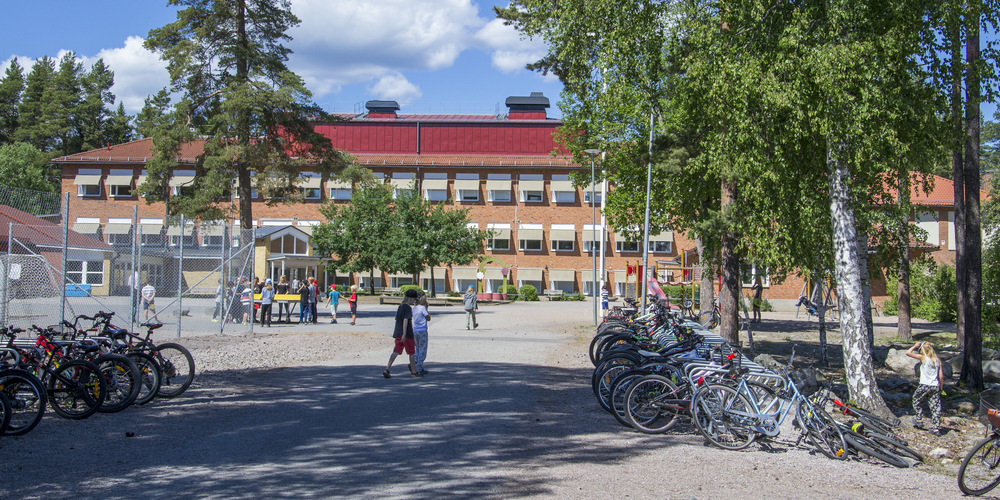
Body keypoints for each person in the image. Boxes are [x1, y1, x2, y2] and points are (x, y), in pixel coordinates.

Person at [907, 341, 945, 435]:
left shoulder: (923, 358)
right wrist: (941, 387)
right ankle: (936, 428)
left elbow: (908, 353)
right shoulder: (937, 360)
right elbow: (941, 376)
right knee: (935, 407)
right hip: (935, 386)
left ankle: (919, 420)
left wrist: (915, 346)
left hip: (924, 384)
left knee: (916, 399)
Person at [384, 289, 422, 378]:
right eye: (414, 299)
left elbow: (398, 319)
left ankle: (387, 368)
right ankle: (414, 371)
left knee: (396, 351)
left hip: (398, 332)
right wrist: (404, 334)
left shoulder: (400, 306)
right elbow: (405, 320)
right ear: (411, 298)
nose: (414, 302)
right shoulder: (408, 308)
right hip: (406, 334)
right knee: (411, 352)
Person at [413, 294, 430, 375]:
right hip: (422, 330)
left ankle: (414, 362)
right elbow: (428, 318)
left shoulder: (414, 308)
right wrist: (427, 308)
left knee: (417, 348)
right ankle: (419, 367)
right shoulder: (422, 308)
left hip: (415, 330)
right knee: (423, 348)